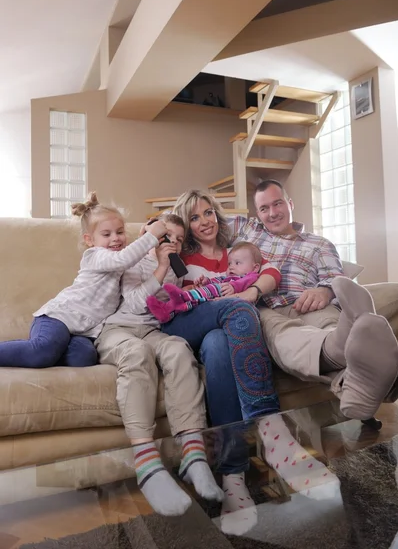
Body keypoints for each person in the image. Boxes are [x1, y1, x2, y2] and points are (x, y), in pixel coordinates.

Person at [159, 190, 336, 536]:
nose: (204, 221)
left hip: (221, 334)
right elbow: (165, 297)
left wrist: (252, 291)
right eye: (194, 217)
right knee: (236, 312)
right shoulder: (183, 254)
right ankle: (272, 431)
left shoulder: (236, 252)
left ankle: (234, 477)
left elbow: (269, 270)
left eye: (209, 213)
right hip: (186, 323)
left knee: (218, 343)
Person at [229, 179, 398, 422]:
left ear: (290, 203)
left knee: (328, 318)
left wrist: (326, 291)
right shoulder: (248, 231)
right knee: (282, 334)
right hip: (263, 307)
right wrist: (160, 228)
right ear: (257, 213)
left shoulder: (319, 244)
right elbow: (201, 219)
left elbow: (333, 278)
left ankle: (348, 338)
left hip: (306, 301)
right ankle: (351, 350)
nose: (273, 213)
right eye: (264, 208)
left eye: (278, 204)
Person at [95, 214, 224, 517]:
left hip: (153, 332)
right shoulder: (130, 259)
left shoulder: (175, 271)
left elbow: (166, 309)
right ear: (150, 233)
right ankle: (147, 463)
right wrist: (161, 266)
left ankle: (193, 456)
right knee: (138, 353)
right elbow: (137, 304)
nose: (174, 243)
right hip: (119, 330)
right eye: (168, 236)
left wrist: (188, 291)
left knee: (179, 349)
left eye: (179, 240)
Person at [0, 192, 167, 368]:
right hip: (59, 317)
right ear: (89, 240)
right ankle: (43, 349)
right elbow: (124, 259)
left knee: (84, 358)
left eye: (120, 232)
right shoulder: (95, 256)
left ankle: (55, 349)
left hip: (84, 332)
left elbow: (134, 259)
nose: (115, 238)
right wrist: (151, 237)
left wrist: (144, 239)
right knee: (43, 351)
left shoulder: (122, 262)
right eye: (106, 234)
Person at [146, 241, 278, 323]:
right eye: (230, 263)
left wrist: (234, 286)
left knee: (196, 298)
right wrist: (205, 282)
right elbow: (216, 282)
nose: (231, 266)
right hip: (209, 305)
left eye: (237, 263)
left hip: (228, 307)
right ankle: (167, 310)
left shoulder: (249, 275)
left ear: (255, 267)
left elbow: (253, 279)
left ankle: (179, 298)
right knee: (190, 303)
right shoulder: (182, 256)